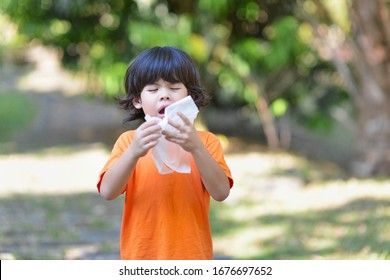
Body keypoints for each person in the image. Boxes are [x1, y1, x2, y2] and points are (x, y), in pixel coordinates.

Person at [96, 46, 234, 260]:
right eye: (153, 90)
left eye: (174, 87)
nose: (164, 96)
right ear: (138, 101)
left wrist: (195, 147)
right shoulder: (129, 142)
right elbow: (108, 191)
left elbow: (221, 192)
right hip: (141, 258)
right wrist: (133, 153)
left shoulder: (206, 142)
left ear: (190, 95)